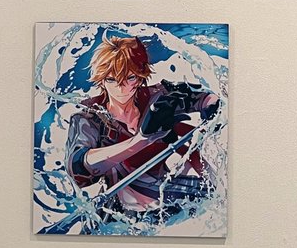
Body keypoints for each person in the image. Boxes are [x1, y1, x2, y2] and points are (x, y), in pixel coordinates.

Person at [64, 36, 220, 227]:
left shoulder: (159, 98)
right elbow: (78, 167)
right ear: (101, 80)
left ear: (140, 76)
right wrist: (141, 141)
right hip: (123, 210)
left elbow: (205, 98)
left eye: (130, 78)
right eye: (111, 79)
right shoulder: (90, 117)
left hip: (168, 195)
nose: (120, 88)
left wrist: (211, 105)